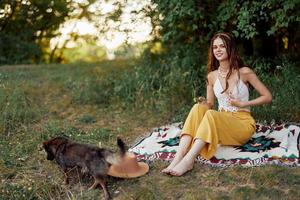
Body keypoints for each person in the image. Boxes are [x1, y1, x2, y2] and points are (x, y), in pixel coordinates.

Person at [161, 32, 272, 176]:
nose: (218, 50)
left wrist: (243, 103)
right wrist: (203, 103)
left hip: (242, 124)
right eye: (214, 47)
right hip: (222, 121)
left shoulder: (244, 72)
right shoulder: (211, 76)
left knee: (212, 115)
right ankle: (178, 157)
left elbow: (268, 96)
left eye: (222, 46)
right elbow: (210, 105)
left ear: (230, 48)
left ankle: (189, 160)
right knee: (197, 108)